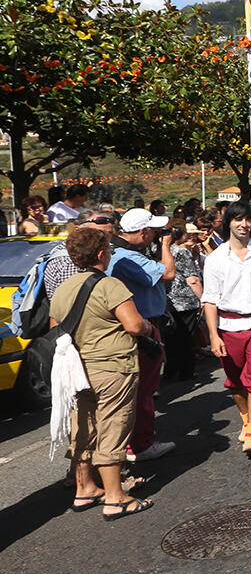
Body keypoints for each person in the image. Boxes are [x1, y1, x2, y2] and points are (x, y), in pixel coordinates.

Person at [49, 228, 155, 519]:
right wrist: (147, 328)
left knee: (83, 427)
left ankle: (85, 489)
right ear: (100, 254)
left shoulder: (63, 289)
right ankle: (115, 497)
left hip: (75, 371)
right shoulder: (110, 286)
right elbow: (133, 325)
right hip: (112, 367)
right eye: (108, 249)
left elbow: (54, 330)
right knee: (112, 427)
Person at [202, 200, 251, 456]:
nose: (243, 225)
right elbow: (209, 299)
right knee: (235, 381)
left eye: (248, 220)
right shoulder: (215, 259)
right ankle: (246, 418)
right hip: (228, 325)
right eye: (238, 220)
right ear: (228, 223)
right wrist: (213, 335)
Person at [108, 207, 175, 462]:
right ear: (143, 231)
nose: (157, 234)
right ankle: (141, 444)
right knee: (143, 389)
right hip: (142, 327)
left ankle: (129, 443)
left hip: (130, 327)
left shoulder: (122, 253)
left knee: (132, 390)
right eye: (155, 231)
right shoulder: (127, 257)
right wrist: (166, 244)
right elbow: (167, 273)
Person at [162, 226, 204, 382]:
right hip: (185, 300)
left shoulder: (156, 250)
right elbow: (192, 279)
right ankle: (186, 371)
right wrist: (202, 299)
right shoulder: (181, 252)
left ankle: (170, 370)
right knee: (186, 337)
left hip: (166, 300)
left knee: (170, 339)